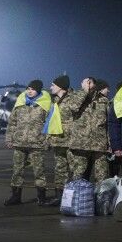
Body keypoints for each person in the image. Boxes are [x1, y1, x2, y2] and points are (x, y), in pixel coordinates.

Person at [4, 80, 50, 206]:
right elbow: (12, 123)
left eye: (33, 89)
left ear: (39, 91)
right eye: (28, 88)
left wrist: (47, 141)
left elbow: (49, 125)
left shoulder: (45, 106)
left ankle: (41, 197)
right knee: (17, 171)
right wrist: (9, 139)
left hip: (37, 144)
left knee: (39, 172)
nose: (30, 91)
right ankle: (15, 196)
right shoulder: (20, 104)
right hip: (19, 143)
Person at [65, 77, 111, 184]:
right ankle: (78, 199)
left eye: (86, 82)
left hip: (99, 144)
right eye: (83, 82)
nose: (84, 84)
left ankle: (100, 199)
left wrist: (109, 143)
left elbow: (108, 123)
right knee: (78, 173)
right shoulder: (75, 96)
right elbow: (73, 107)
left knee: (102, 175)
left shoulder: (103, 100)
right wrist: (84, 91)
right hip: (80, 144)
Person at [46, 74, 73, 204]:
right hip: (58, 141)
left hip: (71, 141)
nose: (51, 87)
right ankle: (59, 196)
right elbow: (50, 120)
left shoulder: (73, 100)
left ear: (61, 87)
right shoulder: (54, 101)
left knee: (74, 170)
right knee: (59, 169)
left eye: (53, 85)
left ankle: (72, 197)